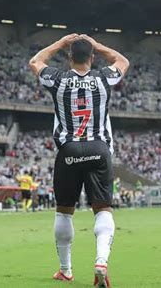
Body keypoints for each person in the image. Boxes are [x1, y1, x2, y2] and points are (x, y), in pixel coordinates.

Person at [29, 33, 129, 287]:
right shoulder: (103, 77)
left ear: (70, 57)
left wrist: (60, 43)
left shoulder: (58, 79)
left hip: (69, 150)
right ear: (92, 58)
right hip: (99, 148)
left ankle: (66, 269)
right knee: (102, 209)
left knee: (64, 211)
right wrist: (97, 45)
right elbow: (122, 61)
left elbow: (35, 61)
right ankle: (101, 260)